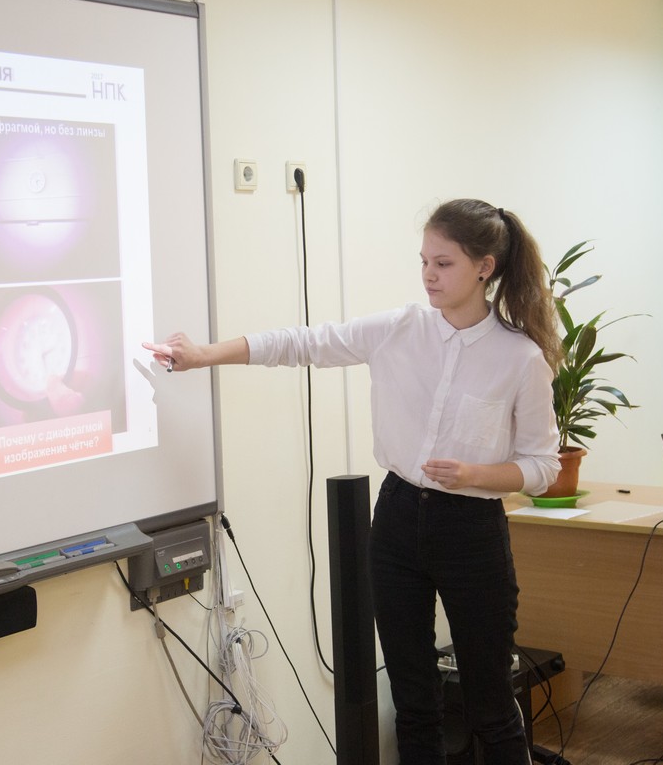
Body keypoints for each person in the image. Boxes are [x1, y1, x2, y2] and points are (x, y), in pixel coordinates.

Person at [143, 198, 562, 764]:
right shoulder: (399, 329)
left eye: (444, 264)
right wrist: (203, 355)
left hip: (472, 531)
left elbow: (542, 468)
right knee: (413, 701)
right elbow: (302, 342)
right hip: (396, 521)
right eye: (424, 261)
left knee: (490, 703)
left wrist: (476, 474)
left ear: (484, 268)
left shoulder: (519, 358)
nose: (429, 275)